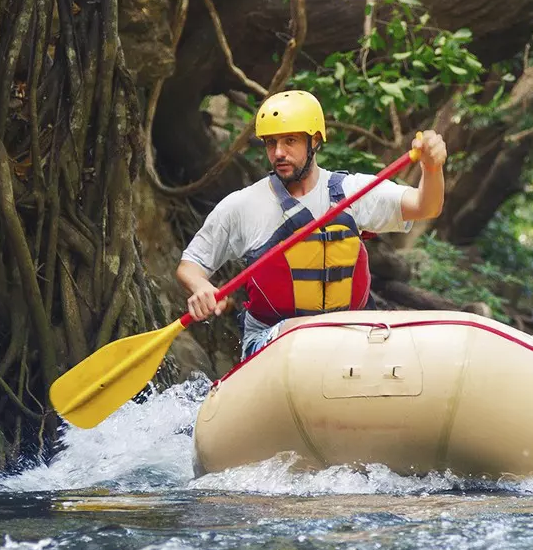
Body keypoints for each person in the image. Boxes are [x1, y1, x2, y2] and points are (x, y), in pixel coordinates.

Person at [177, 90, 448, 358]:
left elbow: (426, 207)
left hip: (351, 333)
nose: (278, 152)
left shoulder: (352, 192)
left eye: (290, 141)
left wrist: (432, 169)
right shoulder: (242, 206)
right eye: (271, 143)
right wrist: (201, 288)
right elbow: (191, 266)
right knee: (305, 338)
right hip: (272, 340)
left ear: (315, 141)